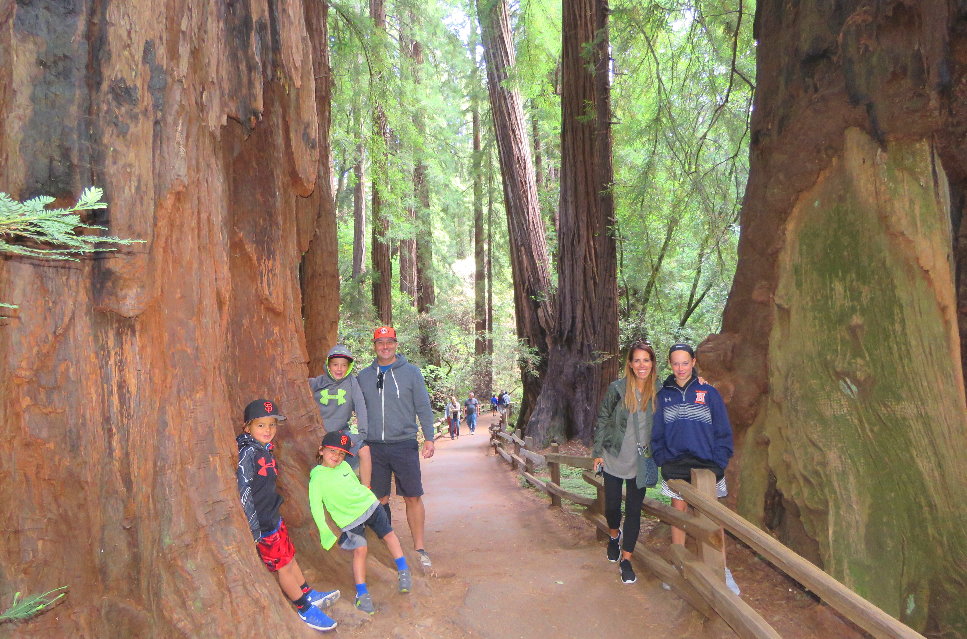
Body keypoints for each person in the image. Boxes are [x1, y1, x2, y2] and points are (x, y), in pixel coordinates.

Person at [236, 399, 339, 632]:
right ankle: (304, 608)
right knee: (282, 566)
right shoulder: (247, 453)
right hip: (262, 523)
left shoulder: (265, 449)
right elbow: (244, 491)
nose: (268, 430)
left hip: (274, 516)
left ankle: (307, 592)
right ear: (247, 427)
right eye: (261, 425)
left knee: (289, 556)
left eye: (272, 425)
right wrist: (253, 527)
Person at [651, 343, 738, 595]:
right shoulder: (663, 396)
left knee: (712, 518)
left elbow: (723, 431)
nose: (680, 368)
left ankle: (721, 570)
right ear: (670, 364)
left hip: (707, 464)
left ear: (694, 361)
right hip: (676, 464)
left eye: (685, 362)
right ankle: (678, 564)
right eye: (675, 363)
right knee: (678, 515)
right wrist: (662, 459)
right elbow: (657, 434)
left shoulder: (708, 392)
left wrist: (719, 461)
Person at [357, 326, 436, 570]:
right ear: (374, 346)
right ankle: (388, 548)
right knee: (378, 499)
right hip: (374, 447)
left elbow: (423, 406)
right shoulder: (363, 376)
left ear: (396, 344)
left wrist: (430, 438)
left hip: (404, 443)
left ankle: (419, 549)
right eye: (380, 343)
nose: (385, 346)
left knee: (412, 495)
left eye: (389, 342)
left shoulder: (411, 373)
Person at [309, 431, 412, 614]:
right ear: (321, 450)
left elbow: (356, 486)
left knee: (389, 534)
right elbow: (316, 506)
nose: (337, 457)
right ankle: (362, 594)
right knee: (360, 550)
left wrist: (369, 494)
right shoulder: (316, 477)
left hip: (370, 506)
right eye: (333, 451)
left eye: (341, 454)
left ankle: (404, 570)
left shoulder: (345, 467)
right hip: (349, 521)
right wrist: (324, 531)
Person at [592, 341, 658, 584]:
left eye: (646, 360)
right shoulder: (617, 389)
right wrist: (597, 451)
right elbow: (603, 417)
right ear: (630, 364)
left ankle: (627, 559)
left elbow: (685, 382)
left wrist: (699, 380)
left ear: (652, 363)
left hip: (640, 461)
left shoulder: (659, 390)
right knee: (611, 506)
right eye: (637, 360)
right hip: (613, 456)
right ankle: (613, 535)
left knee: (633, 511)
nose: (642, 365)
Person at [309, 344, 372, 487]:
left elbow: (361, 407)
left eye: (344, 365)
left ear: (349, 367)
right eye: (335, 364)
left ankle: (366, 489)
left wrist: (361, 435)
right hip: (320, 433)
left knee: (364, 449)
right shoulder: (318, 382)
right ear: (328, 365)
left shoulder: (351, 383)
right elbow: (299, 389)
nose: (339, 368)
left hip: (340, 432)